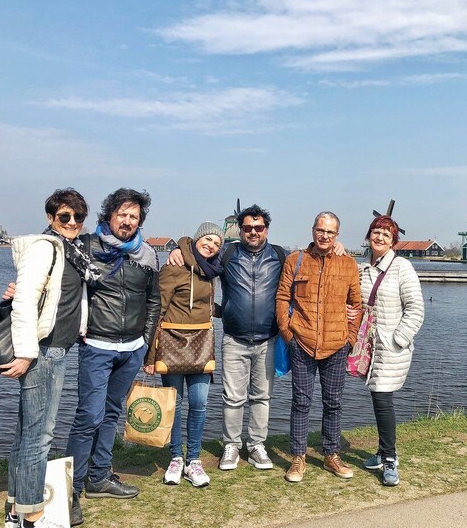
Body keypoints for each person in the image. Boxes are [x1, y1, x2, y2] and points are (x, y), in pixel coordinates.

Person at [166, 204, 347, 473]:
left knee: (262, 396)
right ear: (240, 229)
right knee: (233, 397)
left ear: (266, 230)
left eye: (258, 227)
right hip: (234, 338)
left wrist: (336, 246)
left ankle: (257, 445)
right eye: (248, 228)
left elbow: (309, 261)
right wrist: (179, 249)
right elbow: (198, 258)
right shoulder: (227, 254)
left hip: (268, 338)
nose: (253, 232)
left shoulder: (280, 256)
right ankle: (231, 445)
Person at [65, 188, 160, 526]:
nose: (127, 220)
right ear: (109, 215)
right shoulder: (88, 246)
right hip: (97, 347)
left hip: (131, 348)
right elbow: (59, 279)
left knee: (111, 414)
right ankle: (70, 490)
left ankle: (99, 477)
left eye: (134, 216)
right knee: (88, 416)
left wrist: (146, 342)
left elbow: (153, 301)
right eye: (122, 214)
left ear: (140, 222)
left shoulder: (147, 256)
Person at [3, 189, 96, 528]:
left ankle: (15, 511)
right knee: (40, 436)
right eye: (64, 217)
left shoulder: (72, 252)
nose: (72, 223)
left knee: (26, 432)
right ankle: (34, 515)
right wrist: (27, 353)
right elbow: (24, 301)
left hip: (58, 348)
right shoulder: (45, 248)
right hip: (44, 351)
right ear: (51, 217)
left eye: (78, 217)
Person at [275, 211, 362, 483]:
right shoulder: (295, 260)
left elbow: (356, 305)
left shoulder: (348, 265)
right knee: (301, 402)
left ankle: (331, 453)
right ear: (313, 230)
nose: (325, 236)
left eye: (330, 232)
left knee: (333, 403)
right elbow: (281, 297)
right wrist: (288, 333)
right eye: (320, 230)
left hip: (336, 345)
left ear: (337, 235)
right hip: (302, 341)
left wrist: (350, 338)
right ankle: (298, 457)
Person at [145, 222, 224, 487]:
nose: (212, 245)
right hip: (173, 343)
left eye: (217, 243)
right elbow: (158, 309)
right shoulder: (174, 266)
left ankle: (194, 460)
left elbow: (208, 306)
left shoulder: (211, 271)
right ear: (198, 238)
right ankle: (176, 458)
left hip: (201, 342)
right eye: (208, 239)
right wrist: (151, 356)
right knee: (174, 404)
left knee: (199, 404)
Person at [358, 216, 424, 486]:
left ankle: (389, 459)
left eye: (386, 234)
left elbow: (416, 308)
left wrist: (399, 338)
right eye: (376, 232)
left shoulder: (402, 267)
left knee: (383, 399)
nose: (380, 237)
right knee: (377, 398)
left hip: (391, 346)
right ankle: (381, 451)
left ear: (394, 240)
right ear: (369, 236)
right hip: (370, 347)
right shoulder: (364, 268)